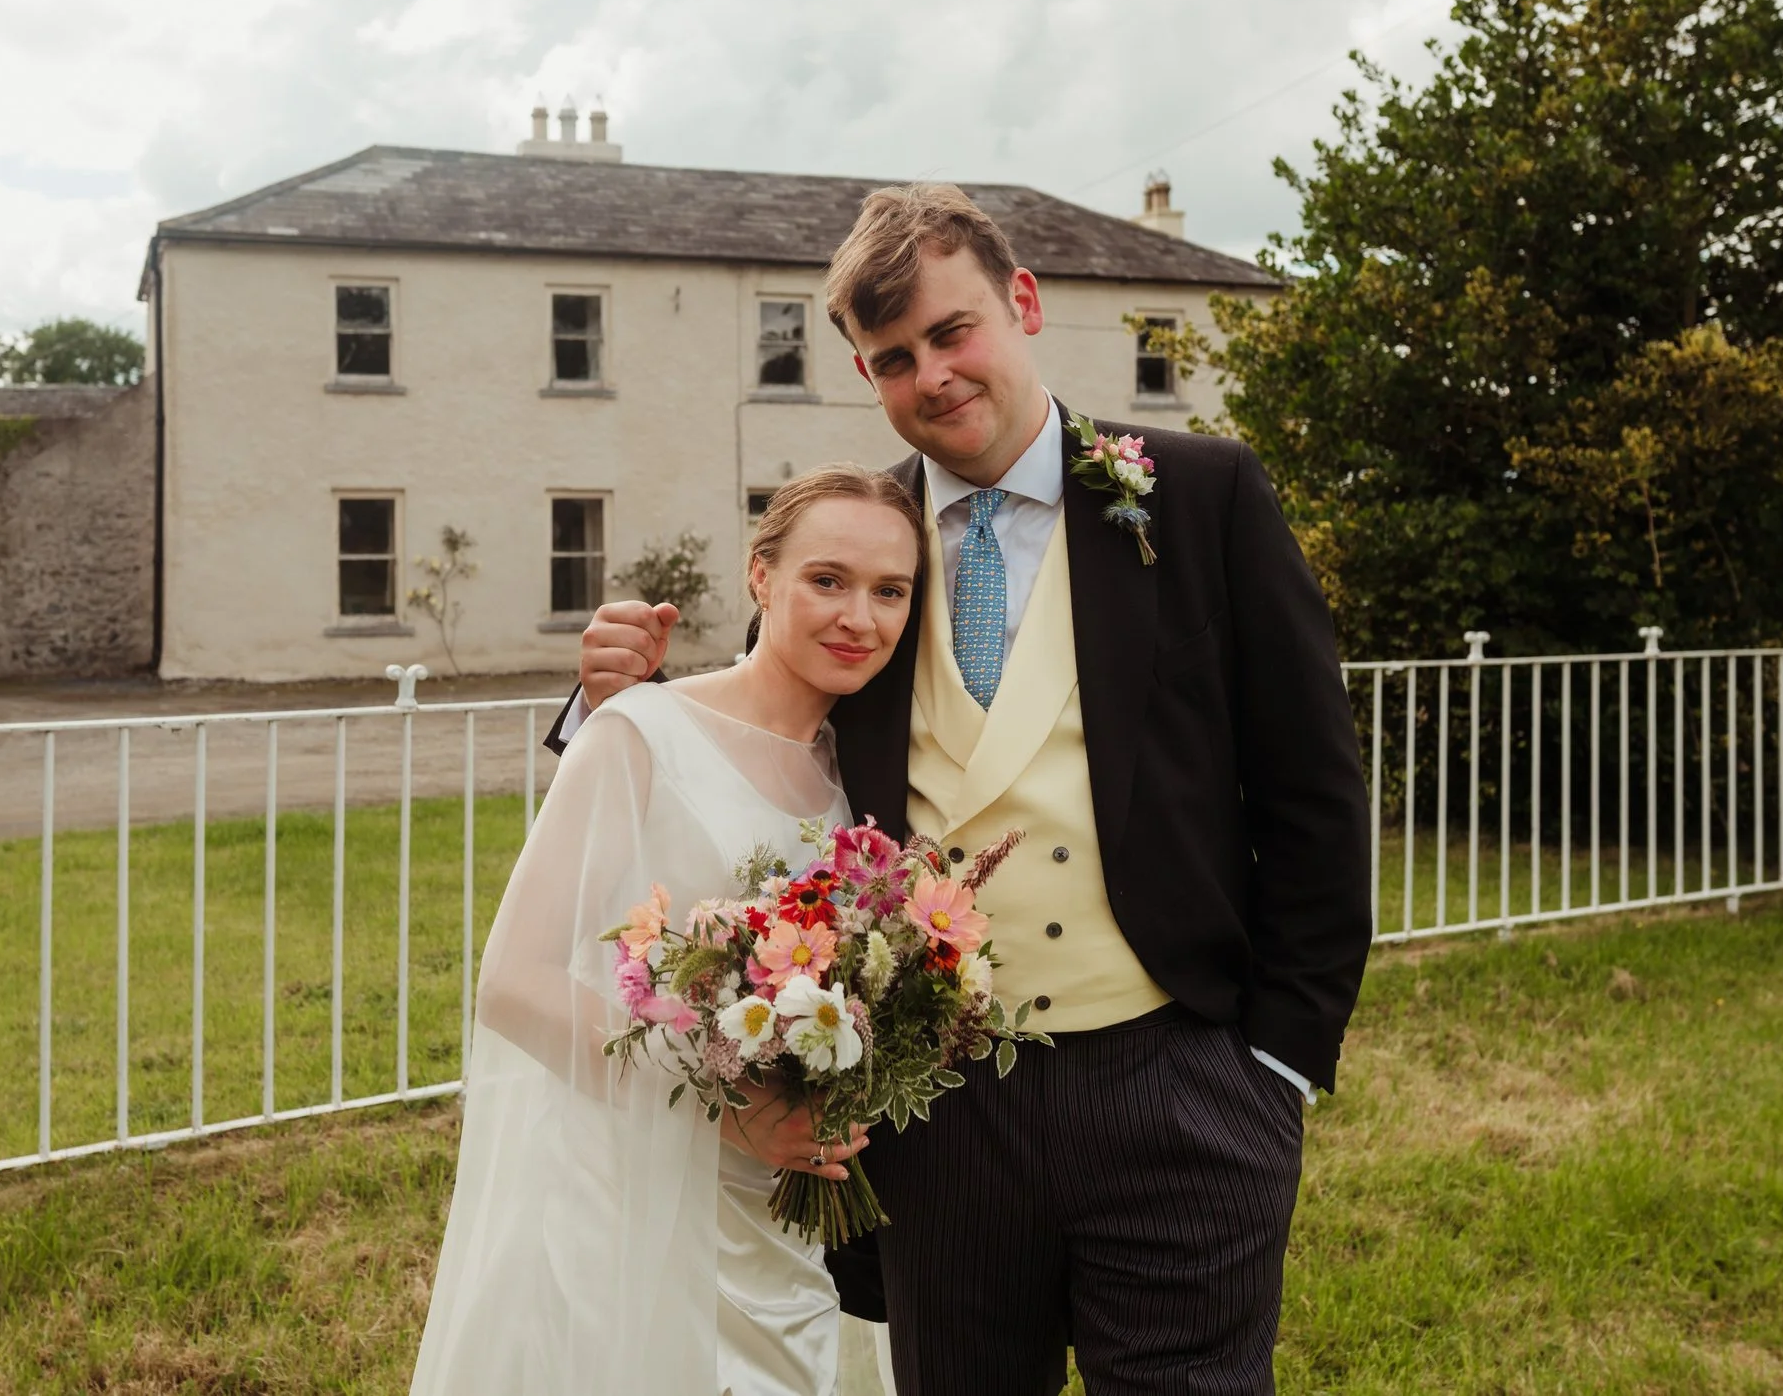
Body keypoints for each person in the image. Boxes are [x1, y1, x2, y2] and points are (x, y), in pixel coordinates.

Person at [555, 184, 1373, 1394]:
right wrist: (601, 704)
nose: (930, 375)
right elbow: (754, 727)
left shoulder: (1199, 495)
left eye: (952, 332)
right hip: (938, 1112)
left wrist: (1276, 1069)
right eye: (892, 358)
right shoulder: (863, 545)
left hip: (1180, 1082)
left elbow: (1316, 792)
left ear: (1022, 304)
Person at [410, 465, 928, 1396]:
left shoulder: (863, 780)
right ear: (759, 576)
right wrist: (731, 1108)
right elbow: (513, 979)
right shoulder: (640, 733)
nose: (861, 615)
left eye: (889, 590)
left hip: (783, 1221)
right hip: (637, 1189)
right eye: (828, 579)